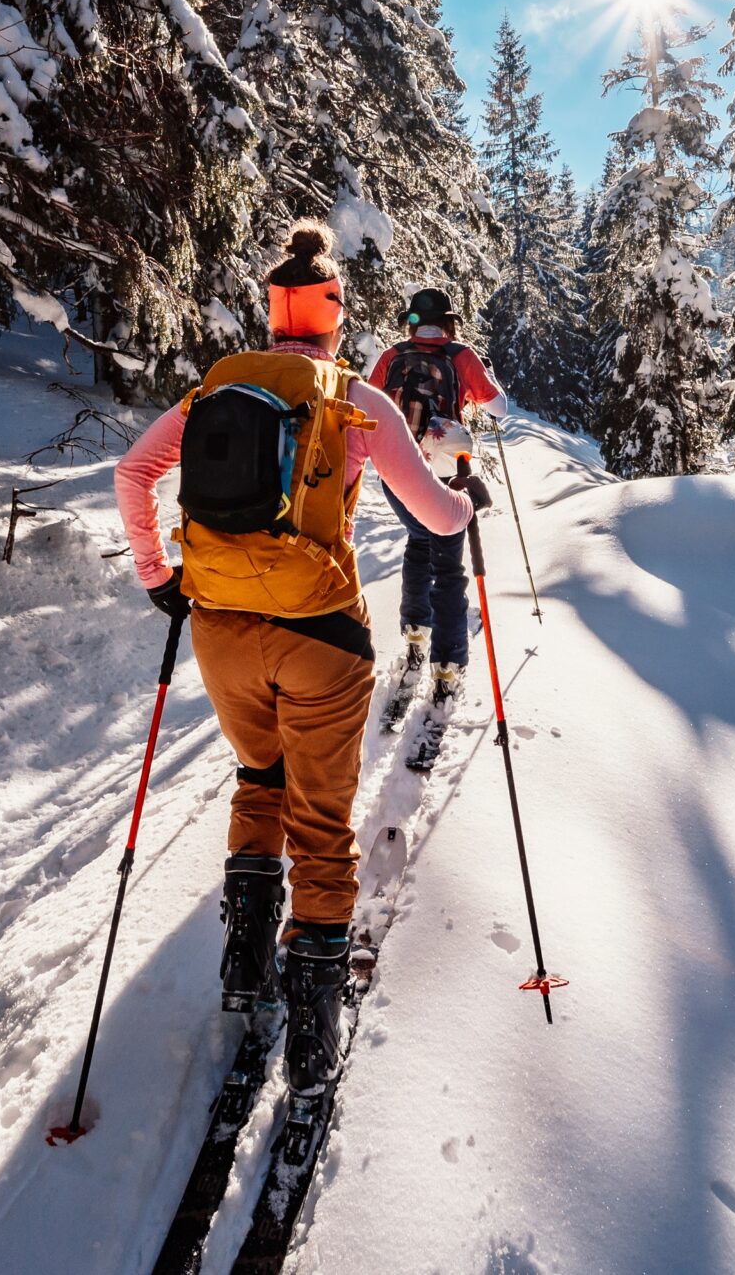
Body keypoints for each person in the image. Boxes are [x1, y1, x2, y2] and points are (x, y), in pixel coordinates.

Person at [114, 222, 483, 1098]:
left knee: (259, 779)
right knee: (321, 821)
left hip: (219, 629)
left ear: (271, 312)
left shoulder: (215, 387)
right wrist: (468, 504)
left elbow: (133, 474)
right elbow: (433, 515)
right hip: (321, 634)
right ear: (332, 318)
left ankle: (245, 959)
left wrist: (160, 578)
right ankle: (312, 1035)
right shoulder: (353, 399)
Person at [367, 288, 510, 701]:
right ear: (449, 322)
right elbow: (501, 409)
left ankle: (415, 629)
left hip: (397, 474)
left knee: (418, 540)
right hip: (446, 476)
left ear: (412, 321)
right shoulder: (461, 356)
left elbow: (368, 407)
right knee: (448, 565)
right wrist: (487, 377)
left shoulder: (392, 357)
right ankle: (447, 664)